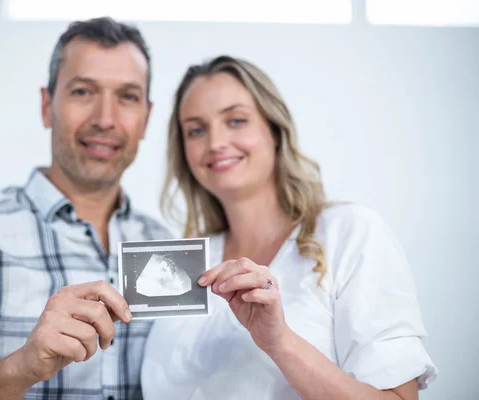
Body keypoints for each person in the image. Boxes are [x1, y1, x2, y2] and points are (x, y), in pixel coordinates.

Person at [0, 17, 171, 400]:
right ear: (47, 106)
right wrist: (23, 366)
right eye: (83, 91)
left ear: (146, 116)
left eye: (127, 96)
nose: (105, 120)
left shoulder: (162, 242)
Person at [141, 55, 437, 399]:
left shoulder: (350, 235)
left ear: (275, 130)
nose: (216, 142)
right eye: (196, 130)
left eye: (236, 120)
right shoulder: (180, 262)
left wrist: (280, 341)